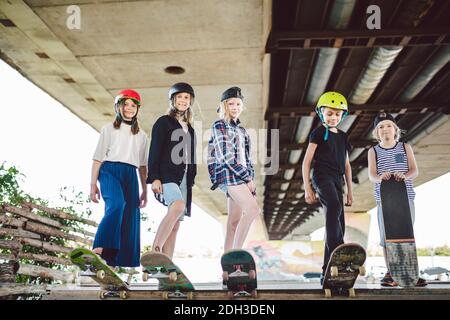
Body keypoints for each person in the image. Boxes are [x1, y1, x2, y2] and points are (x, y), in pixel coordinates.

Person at [367, 112, 427, 287]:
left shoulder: (404, 147)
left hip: (405, 197)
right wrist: (380, 177)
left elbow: (414, 171)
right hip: (384, 199)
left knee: (406, 234)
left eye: (388, 126)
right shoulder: (373, 151)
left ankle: (410, 272)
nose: (385, 129)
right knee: (387, 236)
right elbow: (371, 175)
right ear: (377, 133)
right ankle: (390, 273)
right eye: (381, 127)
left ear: (395, 130)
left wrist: (405, 175)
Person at [90, 89, 149, 267]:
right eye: (126, 104)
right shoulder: (108, 129)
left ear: (137, 109)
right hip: (109, 170)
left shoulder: (142, 135)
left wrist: (145, 190)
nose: (129, 108)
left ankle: (115, 261)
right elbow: (98, 158)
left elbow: (143, 166)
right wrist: (93, 184)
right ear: (119, 106)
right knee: (116, 204)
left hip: (130, 173)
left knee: (131, 213)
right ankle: (99, 248)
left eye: (133, 105)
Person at [302, 91, 353, 284]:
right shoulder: (317, 133)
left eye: (337, 114)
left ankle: (327, 270)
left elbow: (347, 166)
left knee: (338, 220)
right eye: (329, 113)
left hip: (337, 179)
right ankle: (340, 251)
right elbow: (306, 162)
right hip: (321, 176)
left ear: (343, 116)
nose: (333, 117)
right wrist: (308, 188)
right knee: (333, 206)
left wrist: (350, 191)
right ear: (321, 113)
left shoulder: (343, 136)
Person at [147, 82, 197, 259]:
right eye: (180, 97)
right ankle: (156, 250)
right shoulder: (163, 122)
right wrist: (154, 178)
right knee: (177, 206)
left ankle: (167, 265)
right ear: (173, 100)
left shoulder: (190, 128)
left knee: (176, 224)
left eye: (187, 97)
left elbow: (191, 156)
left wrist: (191, 179)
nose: (183, 100)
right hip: (166, 175)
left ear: (190, 101)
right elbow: (154, 150)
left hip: (184, 178)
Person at [207, 86, 259, 252]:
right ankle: (236, 254)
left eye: (238, 104)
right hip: (230, 175)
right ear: (224, 106)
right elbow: (226, 157)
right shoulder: (219, 126)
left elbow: (247, 158)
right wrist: (247, 178)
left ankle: (226, 263)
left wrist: (251, 177)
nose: (235, 108)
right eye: (231, 104)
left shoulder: (242, 130)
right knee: (253, 210)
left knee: (234, 222)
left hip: (241, 176)